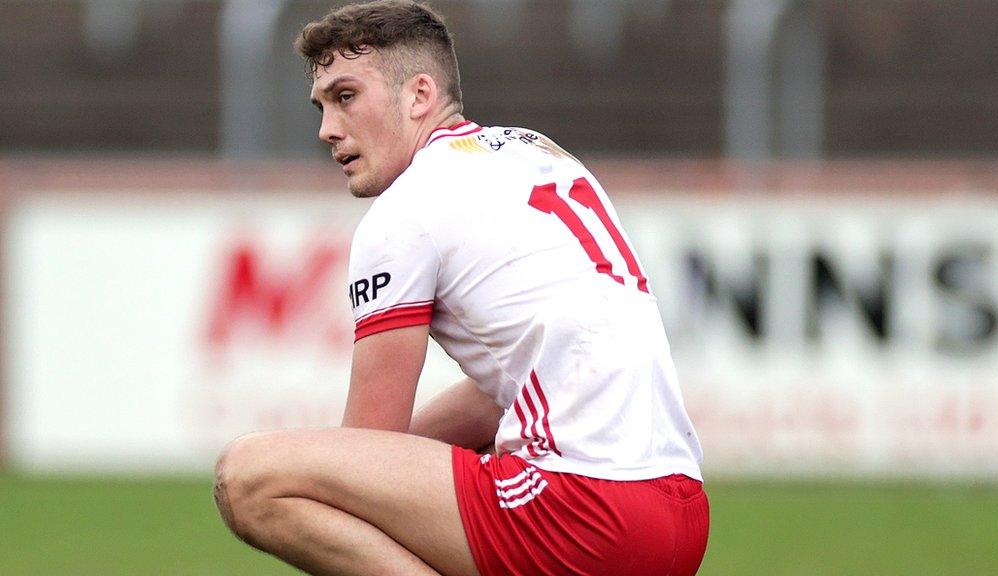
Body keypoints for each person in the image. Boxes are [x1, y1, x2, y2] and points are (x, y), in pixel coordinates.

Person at [213, 1, 709, 574]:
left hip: (582, 509)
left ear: (420, 95)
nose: (327, 128)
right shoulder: (538, 153)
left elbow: (366, 451)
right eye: (321, 105)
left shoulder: (405, 210)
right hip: (680, 510)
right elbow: (504, 390)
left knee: (249, 477)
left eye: (346, 96)